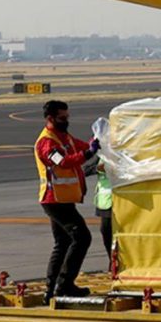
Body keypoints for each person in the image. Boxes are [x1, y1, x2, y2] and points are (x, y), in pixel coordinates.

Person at [34, 100, 101, 302]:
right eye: (62, 118)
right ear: (50, 118)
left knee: (62, 242)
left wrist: (96, 142)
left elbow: (81, 146)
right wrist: (88, 153)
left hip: (63, 199)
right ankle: (64, 285)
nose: (66, 121)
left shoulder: (64, 137)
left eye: (67, 117)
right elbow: (62, 162)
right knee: (82, 238)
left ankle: (51, 289)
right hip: (53, 200)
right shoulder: (47, 142)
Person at [94, 161, 113, 267]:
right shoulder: (101, 155)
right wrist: (98, 168)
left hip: (125, 198)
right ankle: (112, 260)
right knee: (106, 231)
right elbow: (85, 169)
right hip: (106, 201)